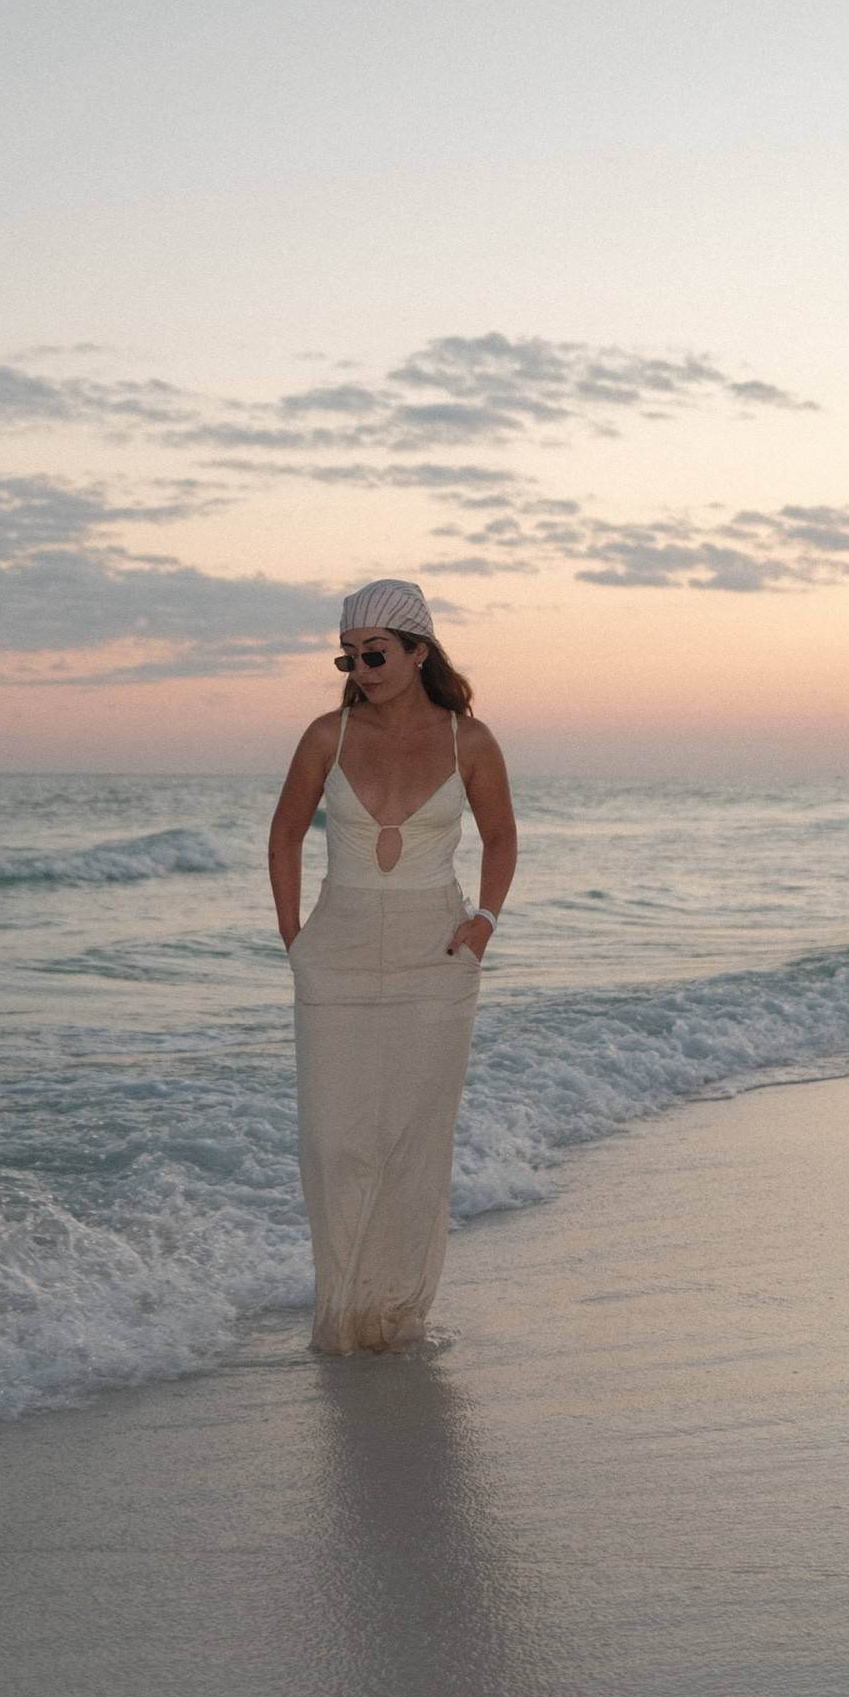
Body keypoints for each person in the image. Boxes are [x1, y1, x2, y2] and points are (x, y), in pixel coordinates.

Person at [269, 580, 517, 1354]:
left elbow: (503, 839)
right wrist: (296, 940)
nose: (362, 667)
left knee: (414, 1141)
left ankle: (396, 1316)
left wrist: (483, 922)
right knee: (332, 1142)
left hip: (433, 956)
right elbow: (283, 838)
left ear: (419, 651)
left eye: (376, 652)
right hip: (335, 957)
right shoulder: (326, 736)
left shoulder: (466, 741)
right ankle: (341, 1315)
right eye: (350, 654)